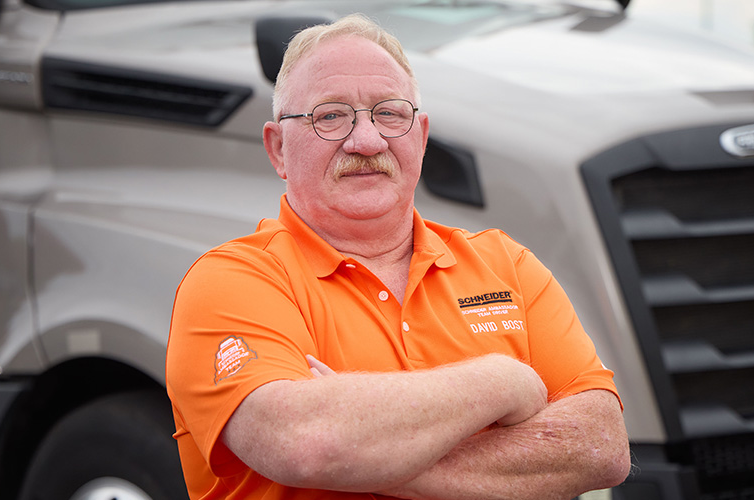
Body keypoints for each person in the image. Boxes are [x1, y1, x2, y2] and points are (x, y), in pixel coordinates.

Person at [166, 13, 630, 500]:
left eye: (389, 113)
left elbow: (601, 445)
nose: (366, 141)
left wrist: (365, 448)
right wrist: (504, 381)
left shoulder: (506, 265)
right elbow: (305, 444)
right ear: (278, 148)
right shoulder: (232, 282)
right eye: (330, 116)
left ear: (421, 136)